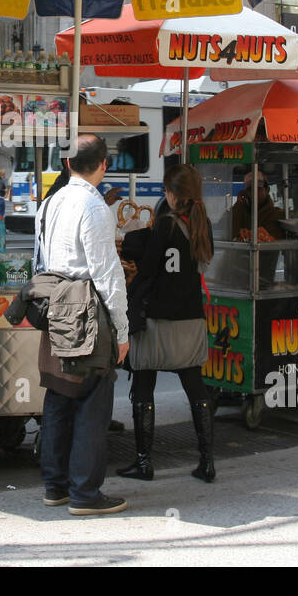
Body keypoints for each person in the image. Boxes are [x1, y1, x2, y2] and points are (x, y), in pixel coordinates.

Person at [34, 134, 130, 515]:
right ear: (103, 165)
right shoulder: (94, 207)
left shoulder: (51, 202)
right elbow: (108, 275)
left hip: (55, 304)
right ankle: (86, 495)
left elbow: (38, 258)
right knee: (93, 403)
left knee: (59, 396)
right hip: (87, 310)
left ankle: (55, 487)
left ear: (69, 164)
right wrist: (122, 332)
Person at [119, 163, 216, 483]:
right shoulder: (203, 225)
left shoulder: (165, 226)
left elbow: (147, 270)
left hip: (157, 321)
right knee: (195, 386)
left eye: (166, 190)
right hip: (191, 319)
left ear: (173, 195)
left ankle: (144, 462)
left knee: (143, 385)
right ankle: (207, 460)